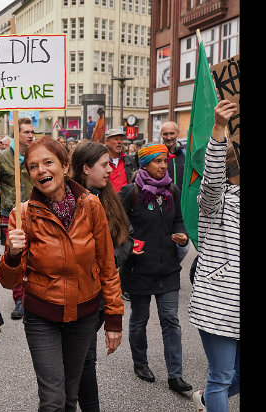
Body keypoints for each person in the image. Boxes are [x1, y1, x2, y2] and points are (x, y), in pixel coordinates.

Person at [0, 136, 123, 411]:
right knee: (52, 400)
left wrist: (114, 316)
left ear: (65, 166)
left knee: (69, 397)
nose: (41, 170)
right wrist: (12, 254)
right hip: (42, 315)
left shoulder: (91, 205)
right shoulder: (23, 215)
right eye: (33, 166)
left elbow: (107, 266)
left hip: (84, 315)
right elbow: (9, 281)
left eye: (48, 162)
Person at [118, 143, 192, 394]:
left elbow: (179, 220)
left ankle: (175, 375)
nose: (163, 166)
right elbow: (117, 225)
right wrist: (129, 244)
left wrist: (181, 234)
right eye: (157, 161)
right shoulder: (131, 192)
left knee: (171, 320)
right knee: (139, 319)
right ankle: (140, 363)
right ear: (144, 164)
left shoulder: (172, 190)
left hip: (168, 268)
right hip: (139, 268)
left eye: (165, 161)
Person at [70, 141, 133, 411]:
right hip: (75, 293)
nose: (110, 170)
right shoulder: (69, 200)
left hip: (100, 294)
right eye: (104, 165)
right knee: (78, 359)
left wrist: (110, 259)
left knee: (85, 359)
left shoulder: (108, 196)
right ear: (85, 168)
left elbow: (125, 237)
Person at [188, 100, 240, 412]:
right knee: (221, 376)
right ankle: (213, 397)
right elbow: (211, 181)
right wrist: (219, 130)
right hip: (219, 303)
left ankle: (206, 400)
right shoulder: (215, 201)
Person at [0, 117, 36, 320]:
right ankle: (19, 299)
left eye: (32, 132)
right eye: (26, 132)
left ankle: (36, 295)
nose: (31, 135)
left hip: (37, 214)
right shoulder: (3, 157)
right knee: (17, 257)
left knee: (37, 256)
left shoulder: (36, 154)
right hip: (11, 215)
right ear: (16, 134)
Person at [103, 128, 139, 193]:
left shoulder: (129, 160)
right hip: (108, 201)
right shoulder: (101, 161)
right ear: (106, 142)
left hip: (127, 201)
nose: (120, 142)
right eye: (116, 139)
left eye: (121, 139)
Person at [160, 121, 186, 196]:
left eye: (172, 133)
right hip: (163, 201)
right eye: (165, 134)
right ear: (161, 134)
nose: (168, 137)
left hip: (182, 201)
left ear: (178, 133)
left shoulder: (186, 154)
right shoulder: (156, 155)